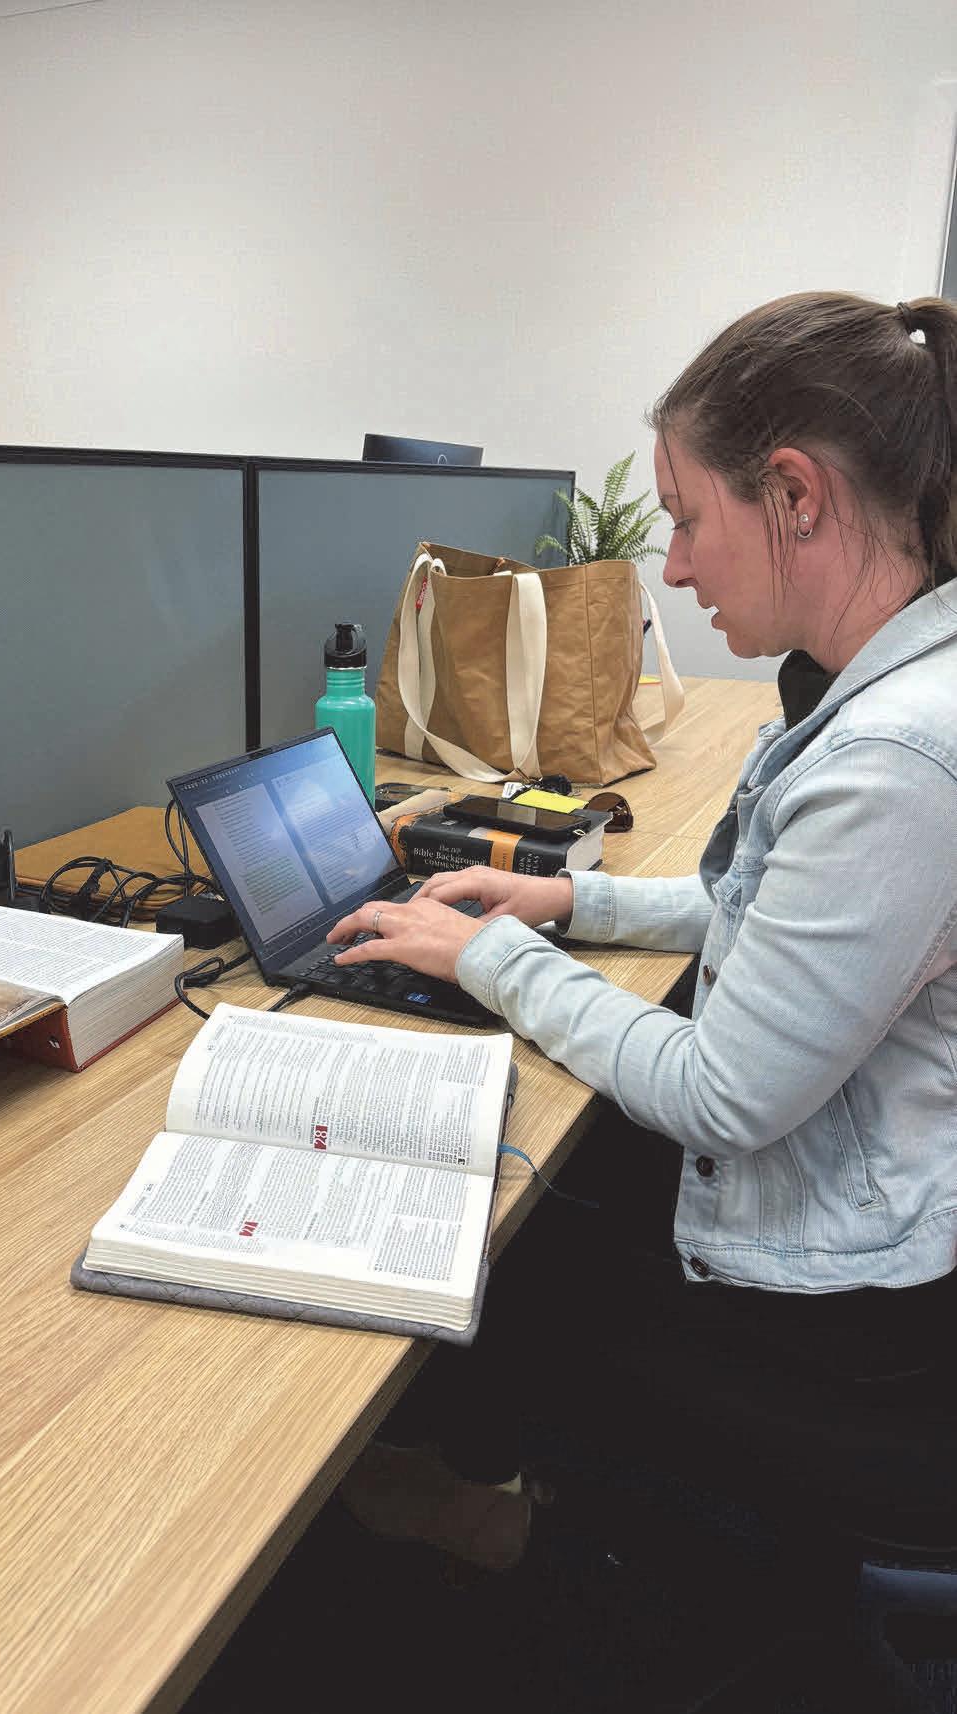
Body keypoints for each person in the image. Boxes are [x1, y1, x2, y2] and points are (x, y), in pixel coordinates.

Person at [327, 293, 957, 1601]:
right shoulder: (903, 689)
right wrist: (565, 906)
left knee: (504, 1240)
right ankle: (499, 1483)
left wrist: (486, 960)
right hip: (887, 1213)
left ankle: (501, 1522)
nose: (670, 567)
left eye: (686, 517)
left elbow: (720, 1095)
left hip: (860, 1323)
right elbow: (781, 920)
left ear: (794, 495)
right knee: (546, 1165)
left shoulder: (896, 757)